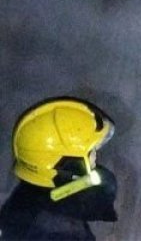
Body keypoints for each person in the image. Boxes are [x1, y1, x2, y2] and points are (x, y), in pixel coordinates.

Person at [0, 97, 119, 240]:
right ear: (64, 164)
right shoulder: (57, 229)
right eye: (91, 151)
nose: (95, 156)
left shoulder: (31, 197)